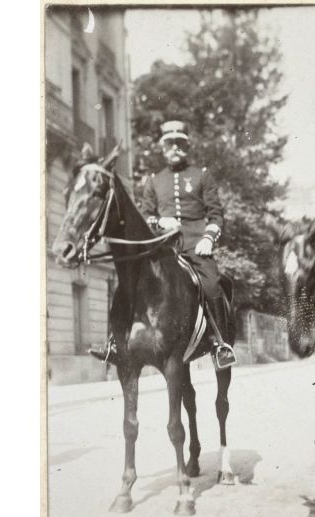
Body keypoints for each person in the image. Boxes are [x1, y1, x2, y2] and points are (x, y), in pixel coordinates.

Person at [90, 120, 236, 370]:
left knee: (211, 285)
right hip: (161, 247)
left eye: (180, 143)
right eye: (170, 143)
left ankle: (218, 343)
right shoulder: (154, 181)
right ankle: (116, 342)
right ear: (163, 147)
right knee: (128, 285)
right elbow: (146, 215)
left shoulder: (201, 175)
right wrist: (160, 221)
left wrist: (207, 238)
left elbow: (216, 213)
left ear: (187, 146)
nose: (175, 148)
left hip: (195, 244)